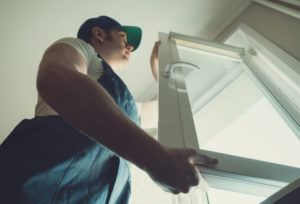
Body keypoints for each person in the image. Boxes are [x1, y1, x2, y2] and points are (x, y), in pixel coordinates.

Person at [0, 16, 217, 203]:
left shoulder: (125, 107)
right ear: (99, 34)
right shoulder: (80, 49)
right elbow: (55, 77)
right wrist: (156, 159)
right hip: (36, 189)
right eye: (123, 37)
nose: (130, 47)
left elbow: (164, 112)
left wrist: (161, 74)